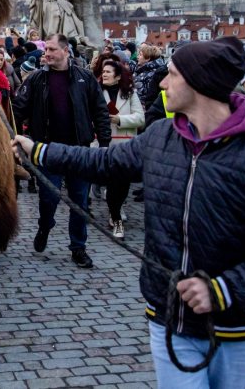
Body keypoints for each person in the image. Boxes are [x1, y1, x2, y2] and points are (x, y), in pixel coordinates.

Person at [14, 36, 245, 388]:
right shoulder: (160, 136)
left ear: (199, 83)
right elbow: (104, 161)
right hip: (168, 313)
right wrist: (39, 152)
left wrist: (225, 289)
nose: (161, 82)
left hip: (235, 322)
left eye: (171, 74)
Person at [12, 33, 111, 268]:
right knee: (49, 197)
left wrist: (104, 144)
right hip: (46, 151)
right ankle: (45, 226)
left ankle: (78, 248)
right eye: (46, 49)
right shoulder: (36, 80)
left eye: (52, 49)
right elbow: (18, 109)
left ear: (66, 51)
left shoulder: (84, 78)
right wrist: (13, 136)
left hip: (79, 150)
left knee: (80, 202)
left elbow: (100, 112)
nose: (46, 53)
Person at [99, 60, 144, 238]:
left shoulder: (130, 93)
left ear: (118, 76)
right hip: (105, 144)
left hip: (125, 144)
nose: (104, 74)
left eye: (109, 72)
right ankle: (115, 217)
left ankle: (115, 208)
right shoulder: (96, 92)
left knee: (122, 183)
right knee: (112, 181)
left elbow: (141, 118)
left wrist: (120, 120)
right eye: (103, 71)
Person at [134, 44, 167, 110]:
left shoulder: (148, 75)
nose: (137, 57)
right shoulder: (159, 70)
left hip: (146, 109)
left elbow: (145, 96)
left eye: (140, 55)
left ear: (148, 58)